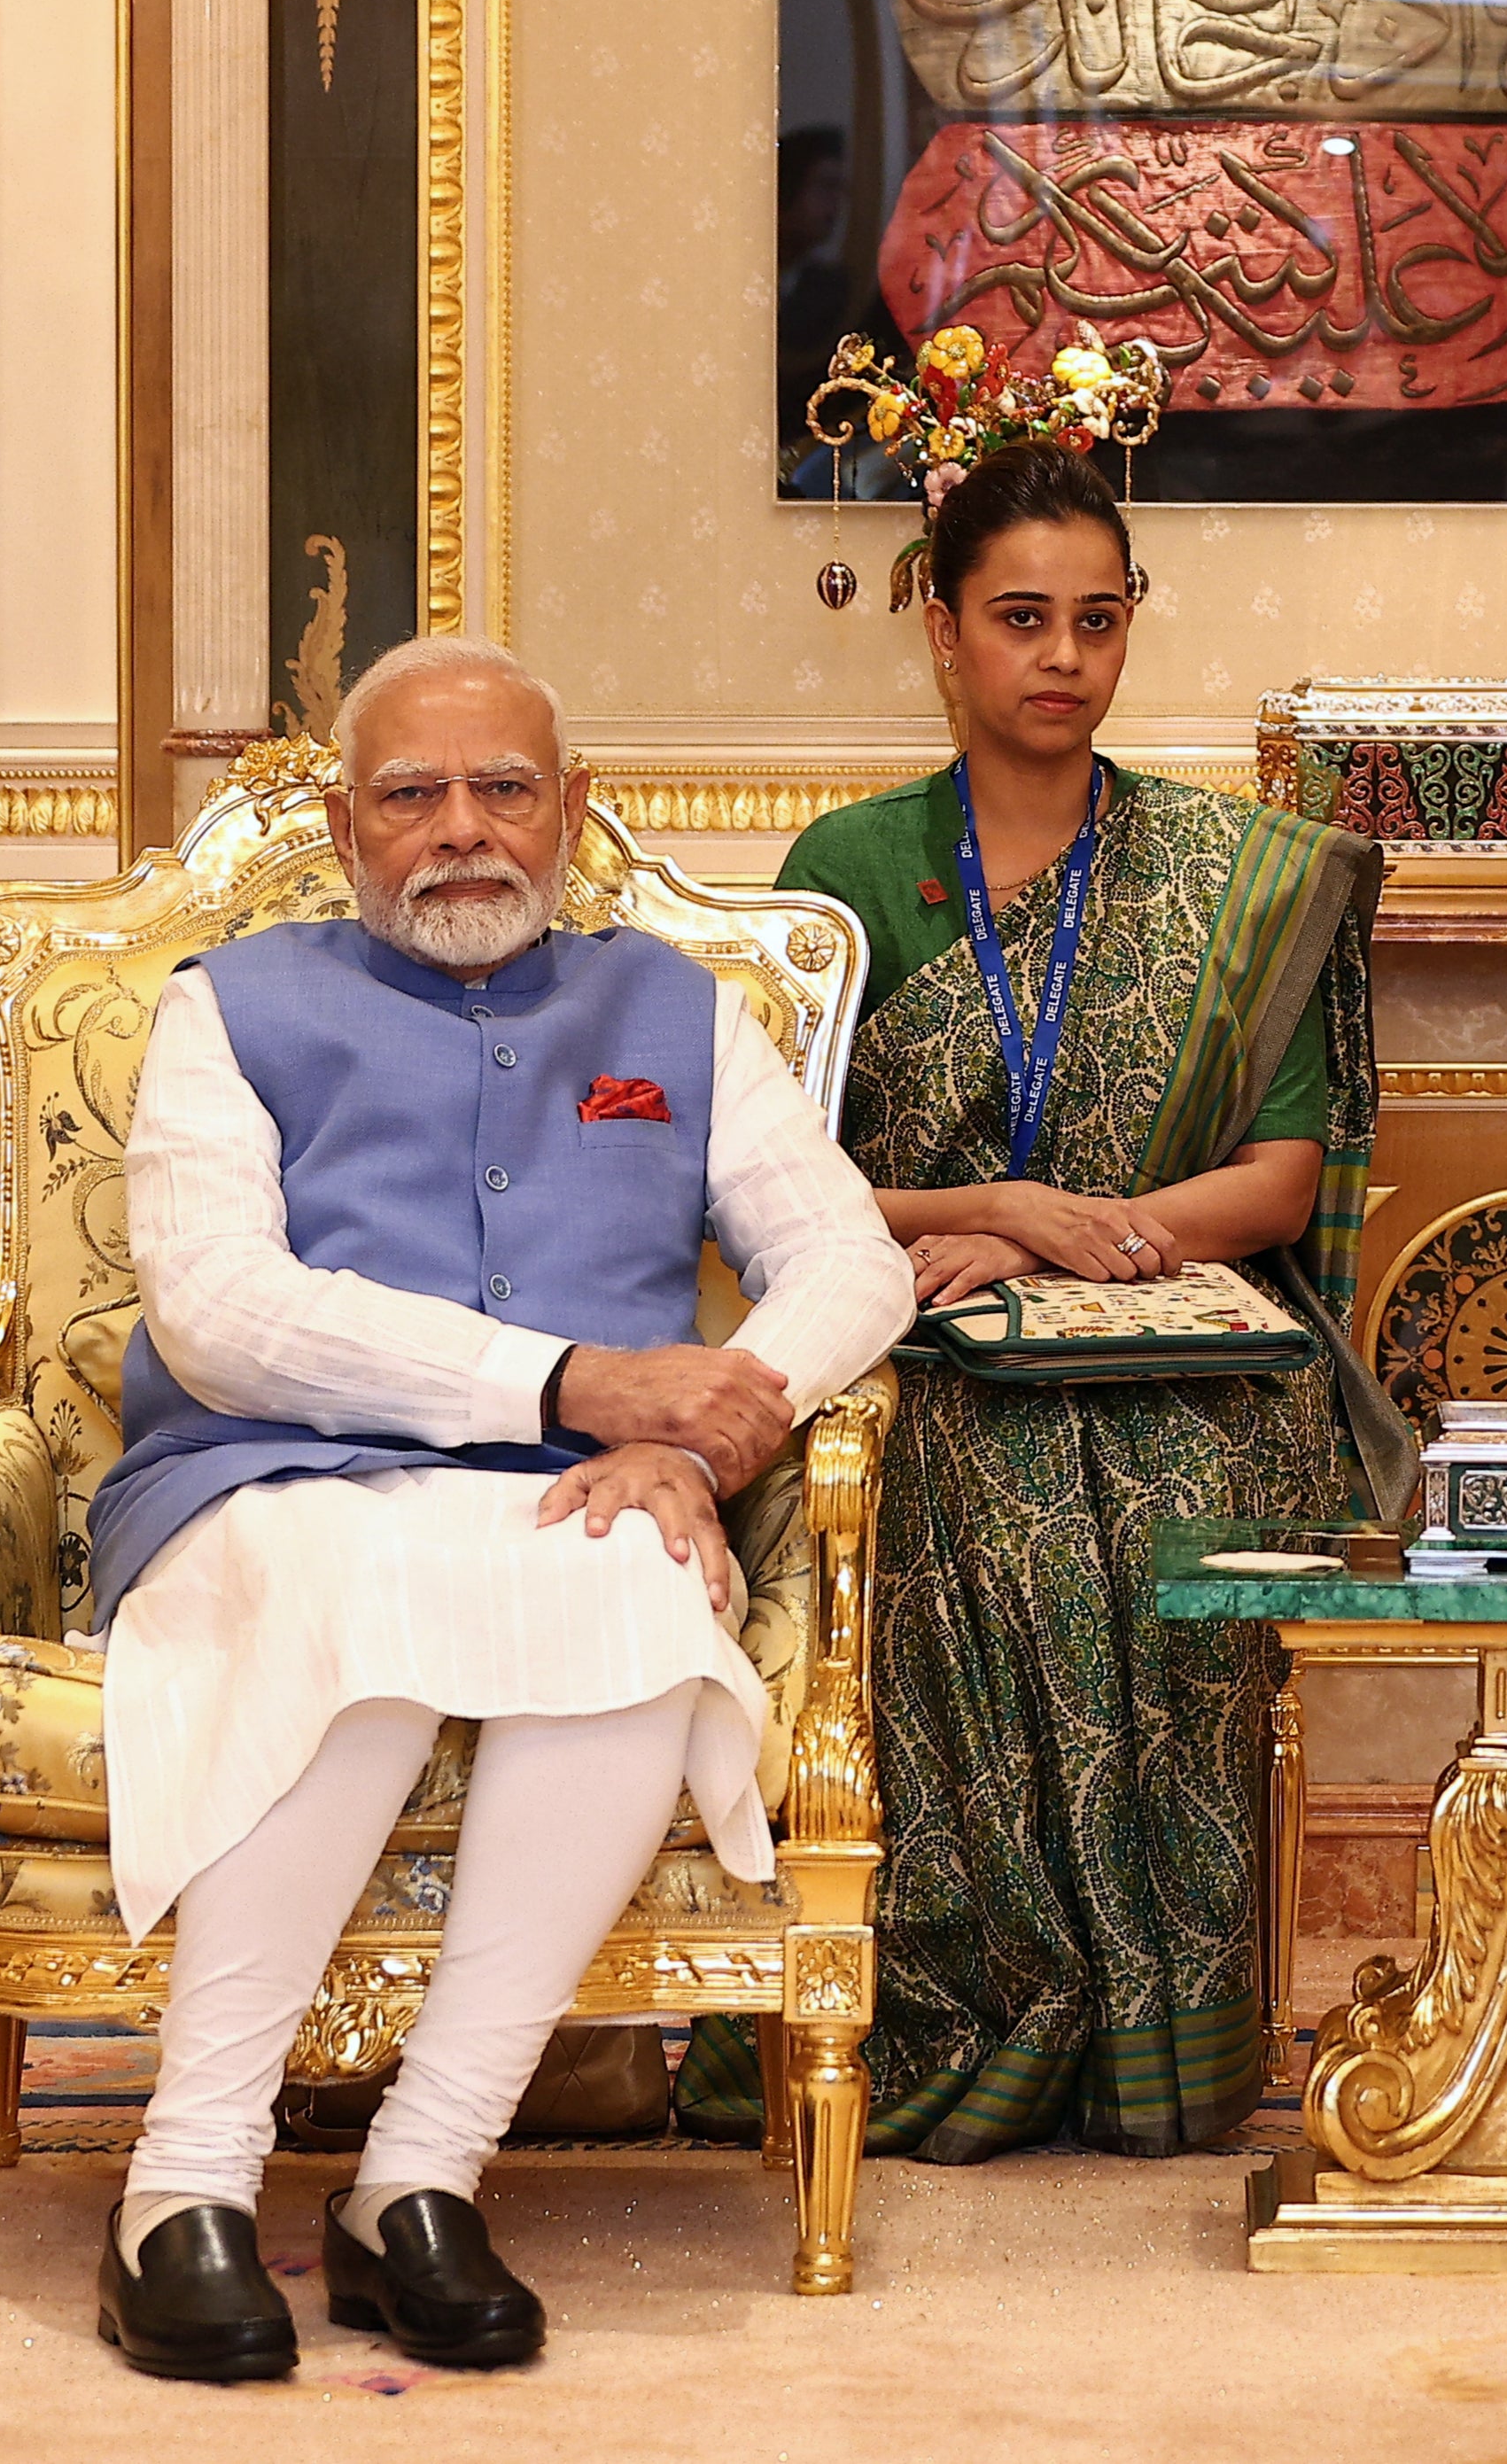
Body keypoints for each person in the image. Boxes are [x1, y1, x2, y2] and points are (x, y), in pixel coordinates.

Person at [88, 636, 910, 2383]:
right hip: (274, 1478)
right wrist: (569, 1382)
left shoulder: (678, 1012)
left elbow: (850, 1256)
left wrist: (699, 1441)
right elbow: (217, 1312)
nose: (462, 829)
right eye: (412, 795)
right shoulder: (224, 1008)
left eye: (503, 789)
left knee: (638, 1585)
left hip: (565, 1497)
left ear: (573, 807)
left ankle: (422, 2177)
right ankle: (187, 2183)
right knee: (354, 1582)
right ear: (343, 822)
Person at [677, 438, 1396, 2165]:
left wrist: (1083, 1233)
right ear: (940, 630)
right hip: (922, 1337)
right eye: (1019, 617)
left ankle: (1158, 2040)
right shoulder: (850, 866)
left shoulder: (1230, 877)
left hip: (1186, 1343)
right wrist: (993, 1208)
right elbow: (786, 1179)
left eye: (1097, 617)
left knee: (1156, 1516)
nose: (1063, 656)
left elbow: (1281, 1179)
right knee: (976, 1508)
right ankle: (961, 2001)